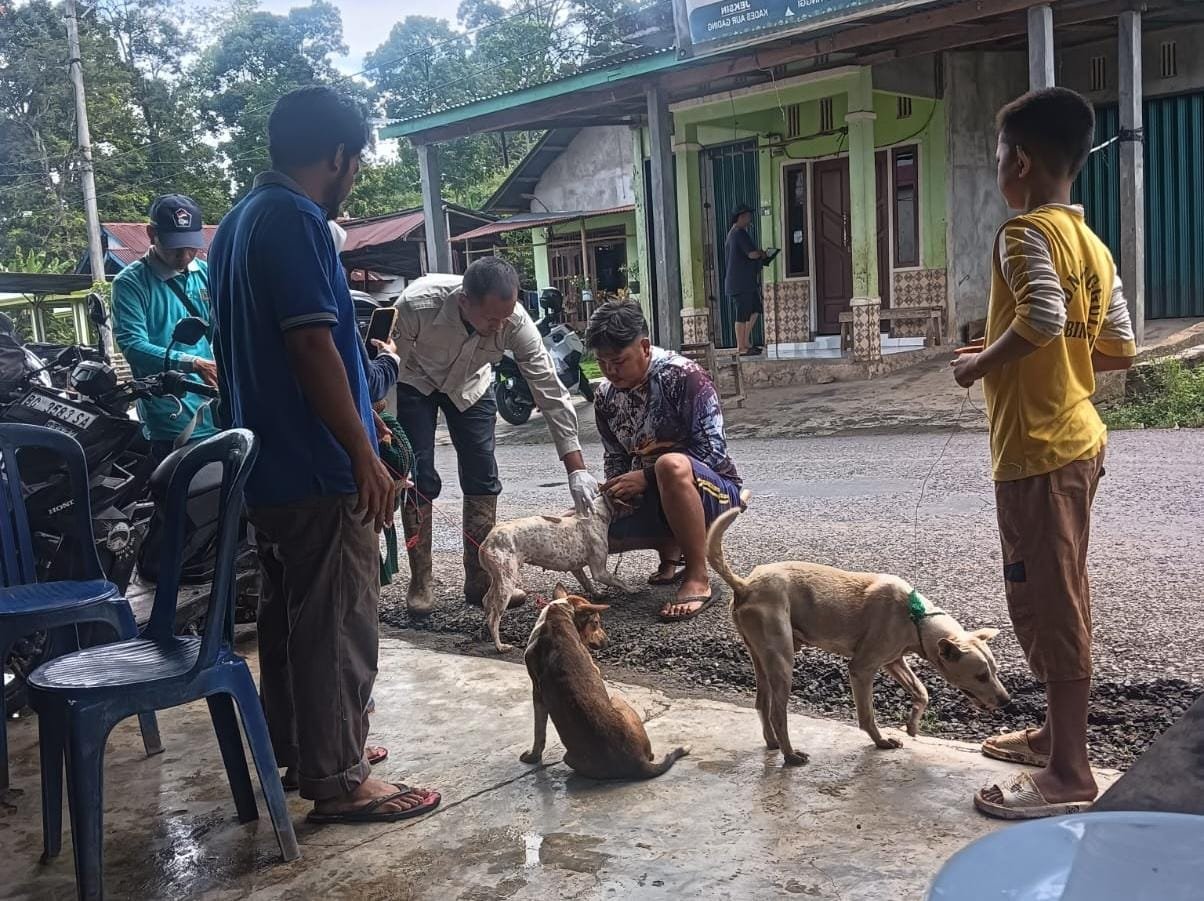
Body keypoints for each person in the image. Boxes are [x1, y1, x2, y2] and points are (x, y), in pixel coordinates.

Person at [208, 85, 439, 825]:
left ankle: (303, 745)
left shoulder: (237, 223)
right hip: (315, 464)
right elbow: (311, 345)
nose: (357, 176)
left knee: (289, 616)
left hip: (265, 469)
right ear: (337, 155)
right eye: (358, 161)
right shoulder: (298, 219)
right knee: (339, 617)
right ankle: (337, 779)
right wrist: (364, 455)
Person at [951, 87, 1136, 820]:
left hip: (1039, 451)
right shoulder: (1091, 244)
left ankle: (1069, 771)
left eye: (998, 155)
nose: (999, 167)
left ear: (1019, 161)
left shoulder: (1021, 233)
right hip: (1079, 440)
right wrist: (1016, 354)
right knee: (1062, 593)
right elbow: (1117, 349)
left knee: (1048, 605)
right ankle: (1055, 738)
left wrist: (980, 366)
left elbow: (1042, 318)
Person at [390, 261, 599, 617]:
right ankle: (421, 579)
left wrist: (575, 468)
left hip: (472, 386)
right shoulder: (414, 307)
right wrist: (389, 442)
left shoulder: (513, 319)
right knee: (418, 477)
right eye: (490, 319)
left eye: (505, 318)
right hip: (414, 383)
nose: (499, 327)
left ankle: (480, 580)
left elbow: (549, 390)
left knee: (483, 477)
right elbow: (389, 372)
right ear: (464, 301)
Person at [588, 300, 744, 622]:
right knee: (584, 526)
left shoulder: (685, 376)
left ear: (644, 347)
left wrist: (644, 478)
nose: (610, 371)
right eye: (602, 362)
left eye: (618, 361)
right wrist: (614, 492)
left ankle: (698, 575)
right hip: (655, 495)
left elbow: (713, 452)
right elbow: (615, 456)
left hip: (713, 491)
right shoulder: (604, 396)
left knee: (668, 466)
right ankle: (670, 545)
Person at [111, 194, 218, 461]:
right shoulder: (130, 283)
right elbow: (134, 347)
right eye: (174, 247)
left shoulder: (207, 273)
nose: (184, 255)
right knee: (180, 496)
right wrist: (193, 363)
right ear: (151, 234)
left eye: (191, 246)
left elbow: (224, 330)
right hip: (171, 414)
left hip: (218, 406)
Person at [724, 203, 766, 357]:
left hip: (746, 283)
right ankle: (741, 346)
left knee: (755, 309)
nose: (750, 219)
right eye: (748, 216)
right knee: (742, 314)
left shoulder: (737, 233)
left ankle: (745, 341)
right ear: (741, 217)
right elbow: (751, 254)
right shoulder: (738, 233)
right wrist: (761, 253)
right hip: (739, 283)